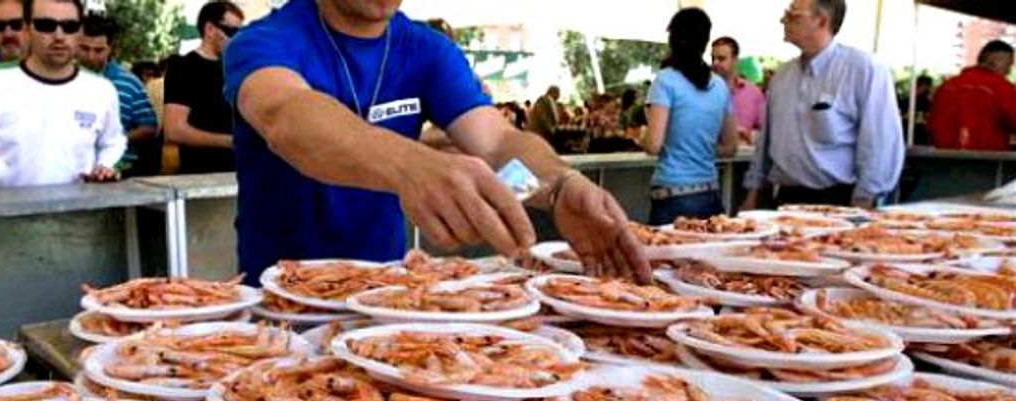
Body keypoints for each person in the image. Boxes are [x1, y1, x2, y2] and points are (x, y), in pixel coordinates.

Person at [222, 0, 649, 281]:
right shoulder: (266, 40)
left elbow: (496, 142)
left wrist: (557, 187)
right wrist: (413, 165)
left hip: (385, 291)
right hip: (279, 295)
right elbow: (286, 116)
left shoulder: (428, 50)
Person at [0, 0, 126, 190]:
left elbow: (114, 144)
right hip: (1, 213)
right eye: (46, 25)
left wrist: (105, 167)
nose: (59, 36)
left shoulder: (102, 90)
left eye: (69, 27)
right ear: (27, 29)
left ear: (80, 31)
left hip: (79, 215)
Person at [742, 0, 903, 210]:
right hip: (785, 199)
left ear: (822, 21)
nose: (783, 20)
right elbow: (766, 142)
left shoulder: (863, 69)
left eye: (794, 15)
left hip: (840, 200)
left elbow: (880, 142)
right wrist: (753, 193)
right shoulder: (783, 75)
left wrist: (864, 200)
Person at [644, 8, 737, 225]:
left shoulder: (665, 80)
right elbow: (730, 147)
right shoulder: (719, 86)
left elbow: (653, 145)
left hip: (672, 194)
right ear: (705, 43)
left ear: (672, 40)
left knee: (665, 257)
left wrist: (644, 137)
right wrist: (698, 147)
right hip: (710, 192)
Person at [164, 1, 245, 174]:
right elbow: (174, 130)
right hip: (201, 174)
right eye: (232, 31)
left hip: (241, 175)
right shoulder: (183, 67)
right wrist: (230, 141)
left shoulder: (235, 69)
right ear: (209, 29)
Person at [78, 14, 159, 175]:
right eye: (84, 49)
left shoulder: (128, 83)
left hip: (118, 169)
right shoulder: (60, 79)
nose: (90, 57)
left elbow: (149, 127)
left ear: (110, 48)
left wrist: (115, 141)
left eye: (99, 50)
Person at [928, 40, 1016, 152]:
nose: (1008, 70)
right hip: (987, 159)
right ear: (996, 60)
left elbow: (931, 123)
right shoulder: (1001, 87)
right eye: (1009, 64)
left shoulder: (946, 87)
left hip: (944, 159)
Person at [711, 36, 765, 142]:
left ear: (736, 60)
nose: (715, 63)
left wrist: (747, 134)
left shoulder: (753, 93)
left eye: (721, 59)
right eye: (713, 58)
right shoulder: (700, 91)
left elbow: (766, 132)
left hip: (745, 156)